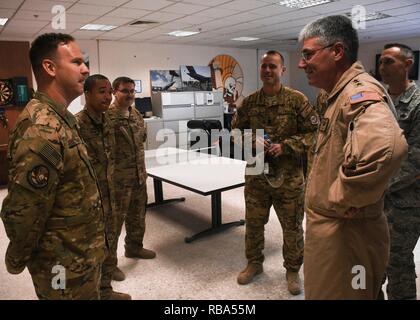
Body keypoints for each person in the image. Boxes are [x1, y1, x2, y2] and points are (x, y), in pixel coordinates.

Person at [298, 15, 408, 300]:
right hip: (334, 231)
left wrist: (343, 196)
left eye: (308, 54)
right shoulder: (336, 93)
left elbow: (387, 147)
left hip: (346, 234)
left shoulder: (359, 92)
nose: (302, 63)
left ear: (336, 52)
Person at [0, 33, 106, 299]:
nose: (86, 69)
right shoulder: (42, 128)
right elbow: (23, 210)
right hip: (62, 265)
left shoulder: (62, 118)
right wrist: (17, 258)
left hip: (80, 254)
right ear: (49, 68)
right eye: (77, 62)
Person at [232, 50, 319, 295]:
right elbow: (235, 132)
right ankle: (254, 264)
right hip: (257, 175)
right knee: (254, 224)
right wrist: (251, 141)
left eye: (272, 66)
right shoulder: (249, 102)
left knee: (292, 227)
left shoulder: (297, 100)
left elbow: (314, 133)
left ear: (282, 70)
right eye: (264, 67)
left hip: (289, 178)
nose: (267, 71)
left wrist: (288, 146)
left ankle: (292, 270)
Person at [75, 74, 131, 300]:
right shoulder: (77, 124)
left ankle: (105, 290)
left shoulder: (109, 121)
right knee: (90, 249)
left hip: (111, 195)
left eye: (109, 91)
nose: (108, 96)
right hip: (88, 200)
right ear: (86, 94)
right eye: (101, 91)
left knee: (110, 241)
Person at [379, 43, 420, 300]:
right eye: (381, 62)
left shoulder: (417, 105)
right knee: (371, 258)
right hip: (374, 199)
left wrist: (377, 183)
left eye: (389, 62)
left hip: (405, 202)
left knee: (397, 262)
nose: (382, 67)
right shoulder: (378, 100)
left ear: (408, 64)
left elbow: (416, 159)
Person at [106, 76, 155, 265]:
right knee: (114, 224)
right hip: (118, 181)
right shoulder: (107, 117)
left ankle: (134, 248)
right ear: (114, 92)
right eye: (125, 91)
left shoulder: (136, 114)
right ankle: (109, 264)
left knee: (138, 217)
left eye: (132, 91)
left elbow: (140, 141)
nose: (130, 95)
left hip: (138, 177)